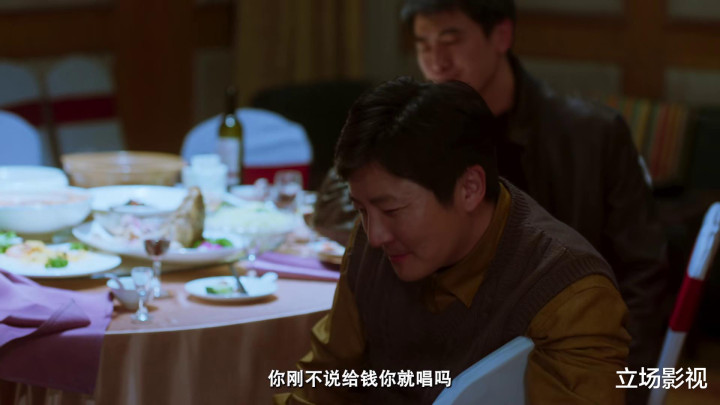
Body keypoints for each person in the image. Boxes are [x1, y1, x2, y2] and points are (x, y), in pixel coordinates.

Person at [312, 2, 668, 397]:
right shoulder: (407, 134)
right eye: (423, 45)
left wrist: (620, 380)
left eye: (451, 40)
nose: (436, 61)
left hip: (560, 340)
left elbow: (643, 274)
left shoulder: (586, 135)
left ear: (501, 36)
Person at [278, 77, 629, 404]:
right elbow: (325, 376)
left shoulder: (568, 293)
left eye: (392, 210)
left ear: (470, 189)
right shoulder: (374, 245)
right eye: (361, 209)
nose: (375, 236)